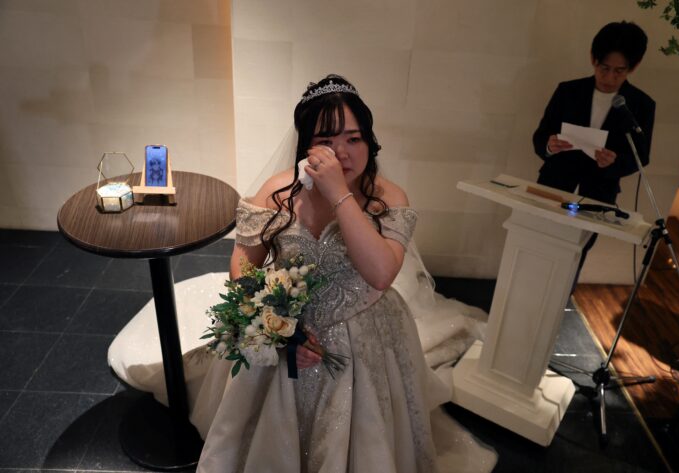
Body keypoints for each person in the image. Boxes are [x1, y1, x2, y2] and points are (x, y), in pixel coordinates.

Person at [109, 75, 497, 472]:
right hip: (289, 327)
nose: (341, 153)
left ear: (370, 141)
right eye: (326, 140)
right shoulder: (278, 192)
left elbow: (380, 274)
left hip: (364, 336)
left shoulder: (388, 198)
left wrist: (339, 194)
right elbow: (243, 265)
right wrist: (275, 329)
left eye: (354, 138)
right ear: (306, 145)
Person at [532, 21, 656, 288]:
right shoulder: (568, 91)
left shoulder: (641, 104)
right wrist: (549, 145)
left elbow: (641, 156)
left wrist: (614, 162)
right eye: (604, 68)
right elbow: (540, 136)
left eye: (619, 71)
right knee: (538, 242)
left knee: (576, 254)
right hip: (554, 184)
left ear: (633, 67)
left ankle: (561, 299)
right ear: (593, 58)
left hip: (599, 193)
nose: (609, 77)